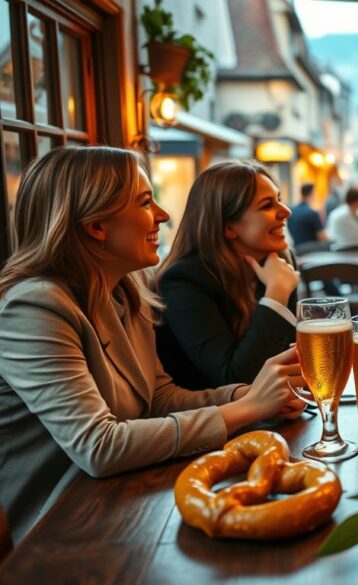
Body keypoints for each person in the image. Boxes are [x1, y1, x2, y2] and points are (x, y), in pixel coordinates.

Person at [0, 147, 305, 542]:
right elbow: (99, 446)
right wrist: (247, 408)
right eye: (146, 202)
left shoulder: (127, 291)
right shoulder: (35, 305)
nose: (163, 216)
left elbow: (158, 397)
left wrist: (247, 393)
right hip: (56, 529)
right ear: (97, 226)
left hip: (121, 501)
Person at [155, 161, 299, 390]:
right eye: (267, 205)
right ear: (229, 227)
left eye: (279, 199)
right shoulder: (184, 281)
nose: (286, 211)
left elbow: (290, 355)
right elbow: (234, 379)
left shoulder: (279, 264)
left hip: (270, 418)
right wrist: (276, 294)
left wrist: (291, 393)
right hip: (210, 421)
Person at [287, 183, 328, 251]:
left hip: (297, 249)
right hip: (312, 250)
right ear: (312, 193)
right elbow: (323, 237)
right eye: (315, 192)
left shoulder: (291, 212)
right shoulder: (312, 213)